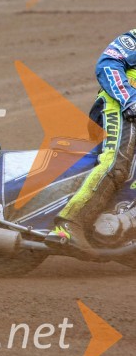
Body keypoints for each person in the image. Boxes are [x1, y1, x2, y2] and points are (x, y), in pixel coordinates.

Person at [49, 29, 136, 248]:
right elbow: (108, 62)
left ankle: (119, 223)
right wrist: (129, 99)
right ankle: (69, 223)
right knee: (117, 163)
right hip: (120, 105)